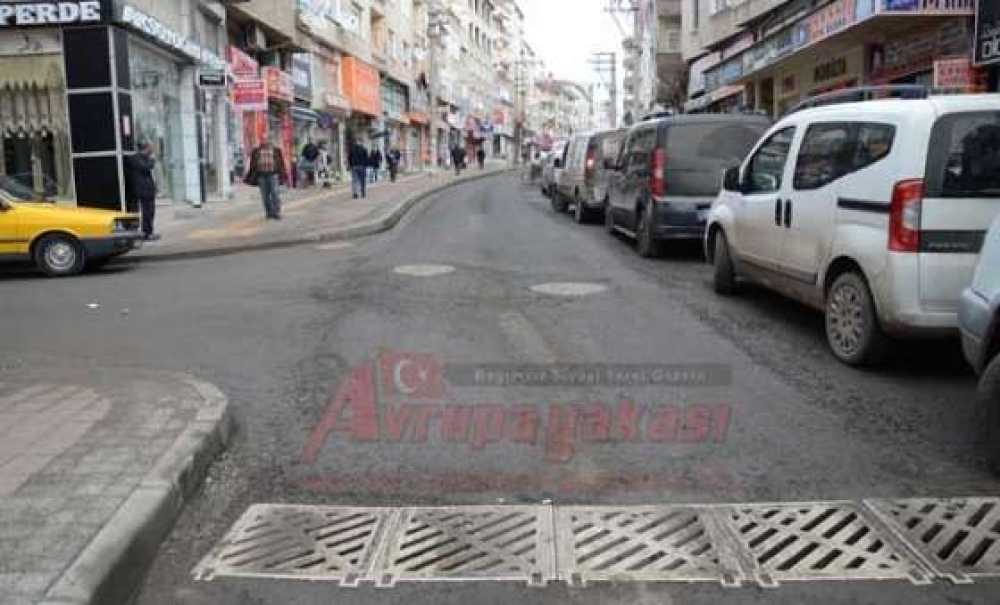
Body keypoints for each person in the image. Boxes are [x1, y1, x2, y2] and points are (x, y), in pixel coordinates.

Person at [244, 139, 288, 220]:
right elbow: (252, 164)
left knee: (275, 193)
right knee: (265, 195)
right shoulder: (256, 151)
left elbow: (281, 163)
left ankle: (277, 212)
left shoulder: (276, 150)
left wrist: (283, 174)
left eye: (267, 139)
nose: (265, 141)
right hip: (261, 175)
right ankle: (269, 213)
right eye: (263, 139)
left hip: (273, 174)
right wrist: (252, 174)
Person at [126, 143, 159, 240]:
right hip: (142, 190)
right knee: (146, 212)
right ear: (146, 148)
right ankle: (145, 233)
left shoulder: (145, 158)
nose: (152, 150)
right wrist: (152, 160)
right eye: (151, 148)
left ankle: (149, 232)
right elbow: (145, 167)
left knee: (150, 212)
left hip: (149, 189)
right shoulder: (135, 158)